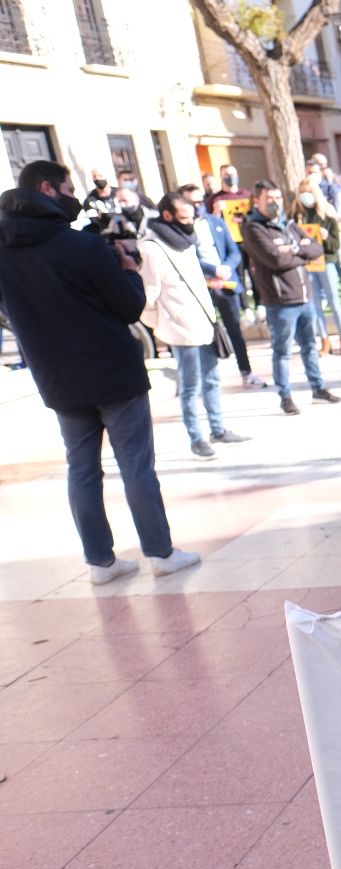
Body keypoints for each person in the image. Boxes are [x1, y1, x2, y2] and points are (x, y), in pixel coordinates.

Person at [0, 159, 200, 582]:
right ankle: (160, 553)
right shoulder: (82, 246)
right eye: (69, 188)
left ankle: (99, 562)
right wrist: (128, 271)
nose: (75, 195)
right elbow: (129, 307)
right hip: (112, 372)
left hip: (58, 378)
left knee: (82, 469)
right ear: (48, 188)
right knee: (136, 466)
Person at [139, 193, 250, 459]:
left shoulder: (185, 241)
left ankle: (218, 429)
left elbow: (193, 277)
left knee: (212, 378)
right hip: (180, 327)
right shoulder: (152, 248)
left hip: (204, 319)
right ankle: (196, 438)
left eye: (192, 217)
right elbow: (148, 296)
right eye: (184, 218)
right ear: (167, 215)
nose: (190, 223)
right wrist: (162, 325)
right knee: (190, 386)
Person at [241, 181, 339, 413]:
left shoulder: (289, 224)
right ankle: (285, 396)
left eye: (278, 197)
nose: (275, 202)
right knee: (283, 351)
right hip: (281, 301)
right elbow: (274, 259)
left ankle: (318, 388)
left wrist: (293, 249)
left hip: (305, 297)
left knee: (309, 347)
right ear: (258, 201)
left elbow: (316, 249)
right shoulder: (254, 228)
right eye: (269, 198)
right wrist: (299, 249)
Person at [177, 182, 266, 390]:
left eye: (200, 200)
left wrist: (225, 267)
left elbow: (234, 250)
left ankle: (247, 372)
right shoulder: (180, 232)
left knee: (236, 330)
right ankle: (206, 381)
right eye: (193, 201)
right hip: (201, 288)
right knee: (204, 334)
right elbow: (185, 259)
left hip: (226, 284)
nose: (198, 205)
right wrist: (211, 271)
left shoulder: (216, 222)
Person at [294, 175, 341, 354]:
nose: (305, 196)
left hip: (327, 262)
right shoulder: (300, 217)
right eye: (302, 193)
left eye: (308, 192)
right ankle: (324, 340)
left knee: (334, 301)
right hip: (309, 264)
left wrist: (326, 237)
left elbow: (336, 245)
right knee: (315, 304)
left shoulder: (328, 214)